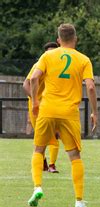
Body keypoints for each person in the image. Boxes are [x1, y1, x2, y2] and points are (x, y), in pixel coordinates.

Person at [28, 23, 98, 207]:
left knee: (38, 150)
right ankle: (79, 200)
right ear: (75, 39)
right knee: (74, 156)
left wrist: (35, 101)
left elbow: (34, 78)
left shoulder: (47, 55)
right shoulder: (83, 59)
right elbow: (90, 86)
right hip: (69, 113)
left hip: (47, 109)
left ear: (59, 40)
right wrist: (94, 112)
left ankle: (37, 187)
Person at [23, 41, 60, 173]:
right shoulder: (38, 66)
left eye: (53, 52)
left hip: (51, 104)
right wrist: (35, 100)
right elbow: (26, 84)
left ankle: (52, 165)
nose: (50, 54)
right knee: (40, 135)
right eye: (48, 52)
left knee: (55, 134)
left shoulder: (59, 68)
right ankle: (43, 162)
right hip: (36, 104)